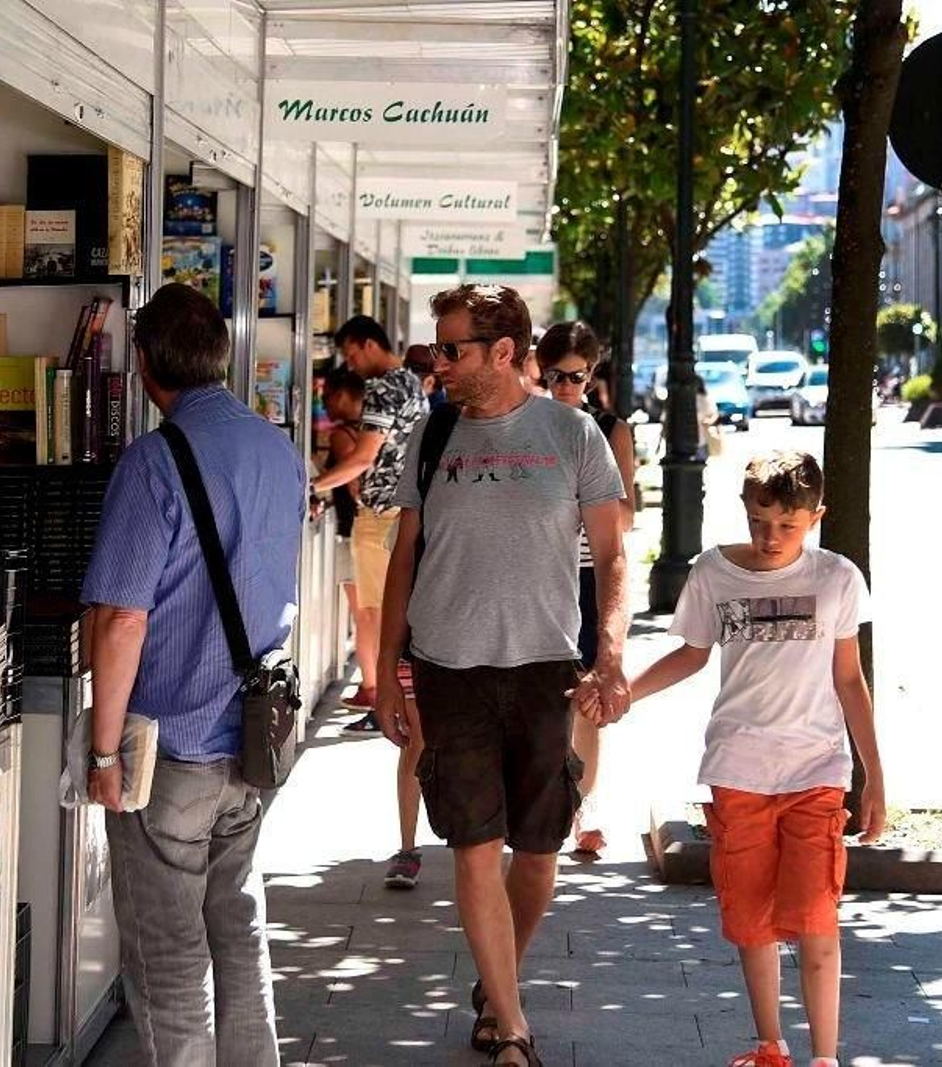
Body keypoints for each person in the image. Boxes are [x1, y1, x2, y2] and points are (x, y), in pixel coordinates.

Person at [376, 284, 630, 1066]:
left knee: (539, 850)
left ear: (505, 352)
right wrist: (385, 670)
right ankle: (513, 1027)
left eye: (453, 350)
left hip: (543, 670)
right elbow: (404, 556)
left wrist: (610, 652)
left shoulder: (572, 432)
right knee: (475, 845)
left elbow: (613, 556)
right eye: (438, 348)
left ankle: (497, 987)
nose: (439, 363)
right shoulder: (433, 432)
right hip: (449, 670)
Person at [579, 451, 886, 1067]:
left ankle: (825, 1056)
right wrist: (624, 693)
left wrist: (874, 775)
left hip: (817, 770)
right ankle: (771, 1045)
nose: (771, 538)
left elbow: (849, 679)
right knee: (751, 919)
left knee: (816, 916)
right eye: (758, 522)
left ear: (816, 517)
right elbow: (691, 655)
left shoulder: (837, 578)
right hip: (738, 770)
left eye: (788, 526)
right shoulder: (714, 572)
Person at [82, 283, 306, 1066]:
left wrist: (103, 752)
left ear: (144, 361)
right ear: (220, 355)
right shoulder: (278, 450)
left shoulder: (153, 462)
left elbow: (122, 618)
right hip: (254, 740)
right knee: (237, 929)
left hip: (169, 750)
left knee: (169, 954)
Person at [536, 321, 636, 856]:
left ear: (592, 375)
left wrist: (582, 501)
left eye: (575, 376)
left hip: (588, 572)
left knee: (589, 695)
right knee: (541, 695)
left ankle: (582, 809)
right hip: (538, 572)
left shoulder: (610, 428)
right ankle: (544, 804)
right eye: (554, 376)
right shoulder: (528, 424)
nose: (564, 387)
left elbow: (626, 514)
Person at [309, 316, 427, 731]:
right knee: (394, 613)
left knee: (377, 614)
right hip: (405, 513)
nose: (351, 365)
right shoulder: (411, 383)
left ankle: (384, 705)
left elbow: (363, 458)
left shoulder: (383, 388)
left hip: (381, 517)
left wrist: (312, 486)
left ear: (369, 344)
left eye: (352, 354)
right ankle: (400, 702)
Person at [320, 366, 375, 728]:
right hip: (371, 531)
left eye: (328, 397)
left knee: (363, 614)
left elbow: (354, 484)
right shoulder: (372, 431)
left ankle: (371, 686)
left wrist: (314, 487)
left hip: (356, 531)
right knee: (371, 612)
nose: (325, 404)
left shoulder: (343, 435)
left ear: (343, 395)